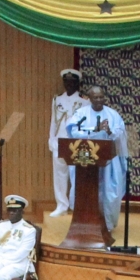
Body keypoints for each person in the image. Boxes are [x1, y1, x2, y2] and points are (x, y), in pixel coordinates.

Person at [63, 87, 128, 233]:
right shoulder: (81, 113)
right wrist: (95, 129)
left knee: (109, 191)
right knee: (86, 189)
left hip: (109, 162)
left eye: (101, 97)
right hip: (86, 161)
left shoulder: (113, 115)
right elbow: (73, 130)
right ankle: (84, 222)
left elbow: (120, 135)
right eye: (95, 98)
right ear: (89, 99)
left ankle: (107, 225)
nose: (99, 100)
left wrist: (108, 131)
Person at [48, 70, 87, 216]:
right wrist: (51, 139)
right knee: (59, 174)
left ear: (78, 83)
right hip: (59, 141)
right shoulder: (57, 100)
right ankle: (61, 205)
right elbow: (53, 121)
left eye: (72, 82)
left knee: (78, 175)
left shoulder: (85, 100)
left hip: (76, 142)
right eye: (66, 82)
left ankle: (77, 205)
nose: (69, 85)